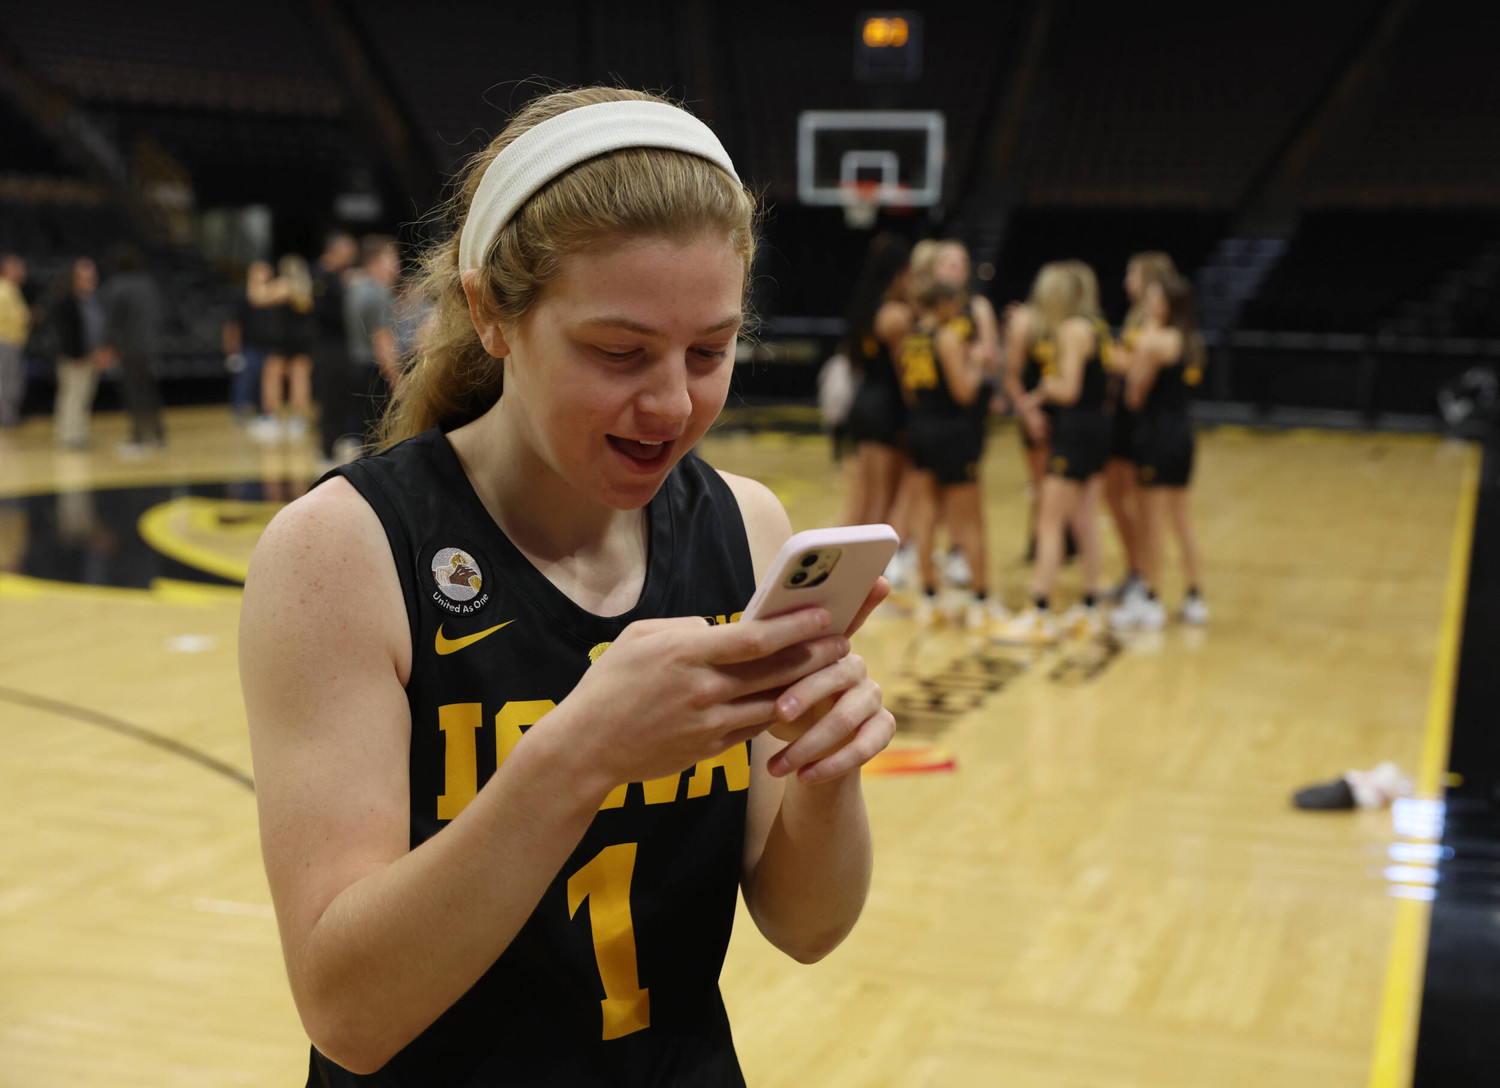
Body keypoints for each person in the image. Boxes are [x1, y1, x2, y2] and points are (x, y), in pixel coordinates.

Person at [239, 86, 895, 1086]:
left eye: (711, 351)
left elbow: (808, 927)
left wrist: (827, 774)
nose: (673, 402)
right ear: (491, 313)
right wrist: (580, 750)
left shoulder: (747, 527)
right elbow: (349, 1009)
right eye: (619, 352)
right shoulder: (342, 552)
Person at [994, 261, 1111, 643]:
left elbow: (1070, 389)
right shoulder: (1096, 326)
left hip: (1075, 430)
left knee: (1049, 520)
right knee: (1084, 519)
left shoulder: (1072, 329)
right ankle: (1092, 604)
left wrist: (1046, 385)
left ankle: (1040, 607)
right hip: (1095, 429)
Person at [895, 276, 997, 627]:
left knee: (925, 515)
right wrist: (977, 363)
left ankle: (929, 593)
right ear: (942, 306)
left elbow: (909, 392)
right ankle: (982, 598)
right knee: (968, 518)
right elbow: (965, 392)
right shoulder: (948, 336)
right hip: (953, 433)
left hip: (921, 428)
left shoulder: (912, 339)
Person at [1111, 271, 1208, 629]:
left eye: (1155, 299)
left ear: (1167, 304)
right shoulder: (1191, 340)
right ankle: (1195, 596)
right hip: (1183, 434)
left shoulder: (1155, 342)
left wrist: (1131, 366)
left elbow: (1135, 394)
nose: (1149, 305)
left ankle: (1150, 597)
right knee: (1182, 520)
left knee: (1153, 522)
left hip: (1154, 435)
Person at [1104, 251, 1176, 603]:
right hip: (1120, 417)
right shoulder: (1136, 317)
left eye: (1132, 275)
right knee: (1114, 496)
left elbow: (1132, 366)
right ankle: (1134, 569)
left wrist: (1105, 353)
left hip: (1141, 422)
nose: (1125, 282)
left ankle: (1145, 577)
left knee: (1139, 503)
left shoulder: (1158, 324)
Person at [836, 232, 912, 529]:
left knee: (863, 501)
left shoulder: (864, 309)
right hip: (886, 412)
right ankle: (864, 572)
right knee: (881, 502)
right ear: (897, 275)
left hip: (863, 404)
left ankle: (850, 570)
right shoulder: (896, 315)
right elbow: (906, 376)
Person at [98, 244, 165, 455]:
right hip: (150, 345)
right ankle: (158, 435)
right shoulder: (148, 283)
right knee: (149, 391)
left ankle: (138, 438)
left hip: (129, 347)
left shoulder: (116, 285)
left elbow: (113, 321)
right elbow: (159, 315)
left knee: (133, 393)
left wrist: (109, 346)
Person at [344, 234, 402, 450]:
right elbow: (382, 341)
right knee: (379, 438)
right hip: (374, 371)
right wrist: (398, 380)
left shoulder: (355, 288)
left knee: (363, 434)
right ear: (377, 260)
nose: (397, 263)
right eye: (392, 257)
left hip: (356, 366)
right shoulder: (379, 293)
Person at [252, 254, 317, 441]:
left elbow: (257, 298)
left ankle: (273, 419)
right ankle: (298, 420)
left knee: (272, 376)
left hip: (283, 341)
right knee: (300, 378)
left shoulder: (286, 286)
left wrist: (256, 277)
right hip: (302, 340)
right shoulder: (306, 287)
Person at [310, 231, 359, 466]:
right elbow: (326, 314)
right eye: (347, 252)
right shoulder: (320, 276)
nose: (351, 258)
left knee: (342, 398)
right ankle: (325, 450)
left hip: (341, 346)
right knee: (330, 399)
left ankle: (338, 444)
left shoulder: (339, 276)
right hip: (327, 348)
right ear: (333, 251)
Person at [48, 256, 107, 449]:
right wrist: (77, 355)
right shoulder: (66, 301)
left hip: (92, 356)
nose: (89, 278)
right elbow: (64, 333)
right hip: (74, 357)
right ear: (74, 277)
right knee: (72, 396)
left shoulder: (92, 300)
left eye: (91, 274)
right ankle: (68, 436)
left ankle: (80, 434)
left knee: (84, 397)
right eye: (84, 275)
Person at [224, 260, 277, 426]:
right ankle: (241, 412)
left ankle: (265, 413)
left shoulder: (274, 295)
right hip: (250, 347)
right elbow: (233, 326)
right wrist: (233, 350)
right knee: (246, 381)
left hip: (270, 347)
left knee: (267, 383)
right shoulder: (243, 296)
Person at [0, 254, 31, 428]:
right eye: (17, 268)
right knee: (7, 382)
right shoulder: (4, 290)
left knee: (11, 381)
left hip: (12, 343)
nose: (22, 272)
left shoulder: (12, 289)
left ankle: (8, 416)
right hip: (5, 342)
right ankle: (6, 418)